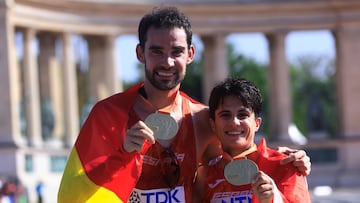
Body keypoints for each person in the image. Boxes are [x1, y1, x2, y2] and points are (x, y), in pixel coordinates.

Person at [58, 6, 311, 203]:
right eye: (156, 51)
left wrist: (286, 161)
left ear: (190, 55)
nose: (167, 62)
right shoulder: (108, 115)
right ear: (139, 53)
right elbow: (76, 192)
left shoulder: (204, 120)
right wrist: (122, 154)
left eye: (176, 52)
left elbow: (238, 162)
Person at [194, 77, 311, 203]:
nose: (234, 122)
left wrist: (272, 199)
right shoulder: (204, 175)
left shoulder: (285, 165)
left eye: (242, 115)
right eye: (225, 115)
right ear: (213, 125)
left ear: (257, 123)